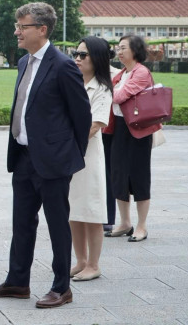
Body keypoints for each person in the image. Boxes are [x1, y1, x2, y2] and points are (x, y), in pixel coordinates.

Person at [0, 2, 91, 308]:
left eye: (22, 27)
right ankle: (17, 281)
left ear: (41, 29)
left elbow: (81, 115)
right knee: (22, 223)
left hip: (54, 161)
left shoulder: (63, 65)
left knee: (57, 225)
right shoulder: (23, 62)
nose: (16, 32)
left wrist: (69, 156)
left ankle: (61, 287)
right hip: (24, 157)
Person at [103, 35, 160, 243]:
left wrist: (107, 90)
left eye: (123, 48)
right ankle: (125, 222)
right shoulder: (122, 74)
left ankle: (142, 225)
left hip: (138, 130)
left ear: (135, 50)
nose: (119, 51)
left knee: (139, 176)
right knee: (118, 174)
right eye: (118, 48)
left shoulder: (141, 73)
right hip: (119, 128)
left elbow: (118, 97)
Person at [69, 37, 112, 282]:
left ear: (97, 59)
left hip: (87, 156)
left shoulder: (102, 89)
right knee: (74, 210)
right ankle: (81, 260)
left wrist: (67, 141)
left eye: (83, 55)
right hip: (71, 156)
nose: (77, 58)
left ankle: (94, 264)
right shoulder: (75, 83)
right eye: (76, 53)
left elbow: (95, 124)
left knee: (92, 212)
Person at [102, 52, 121, 235]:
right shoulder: (77, 72)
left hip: (107, 130)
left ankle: (108, 217)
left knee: (107, 173)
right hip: (84, 131)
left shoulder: (116, 74)